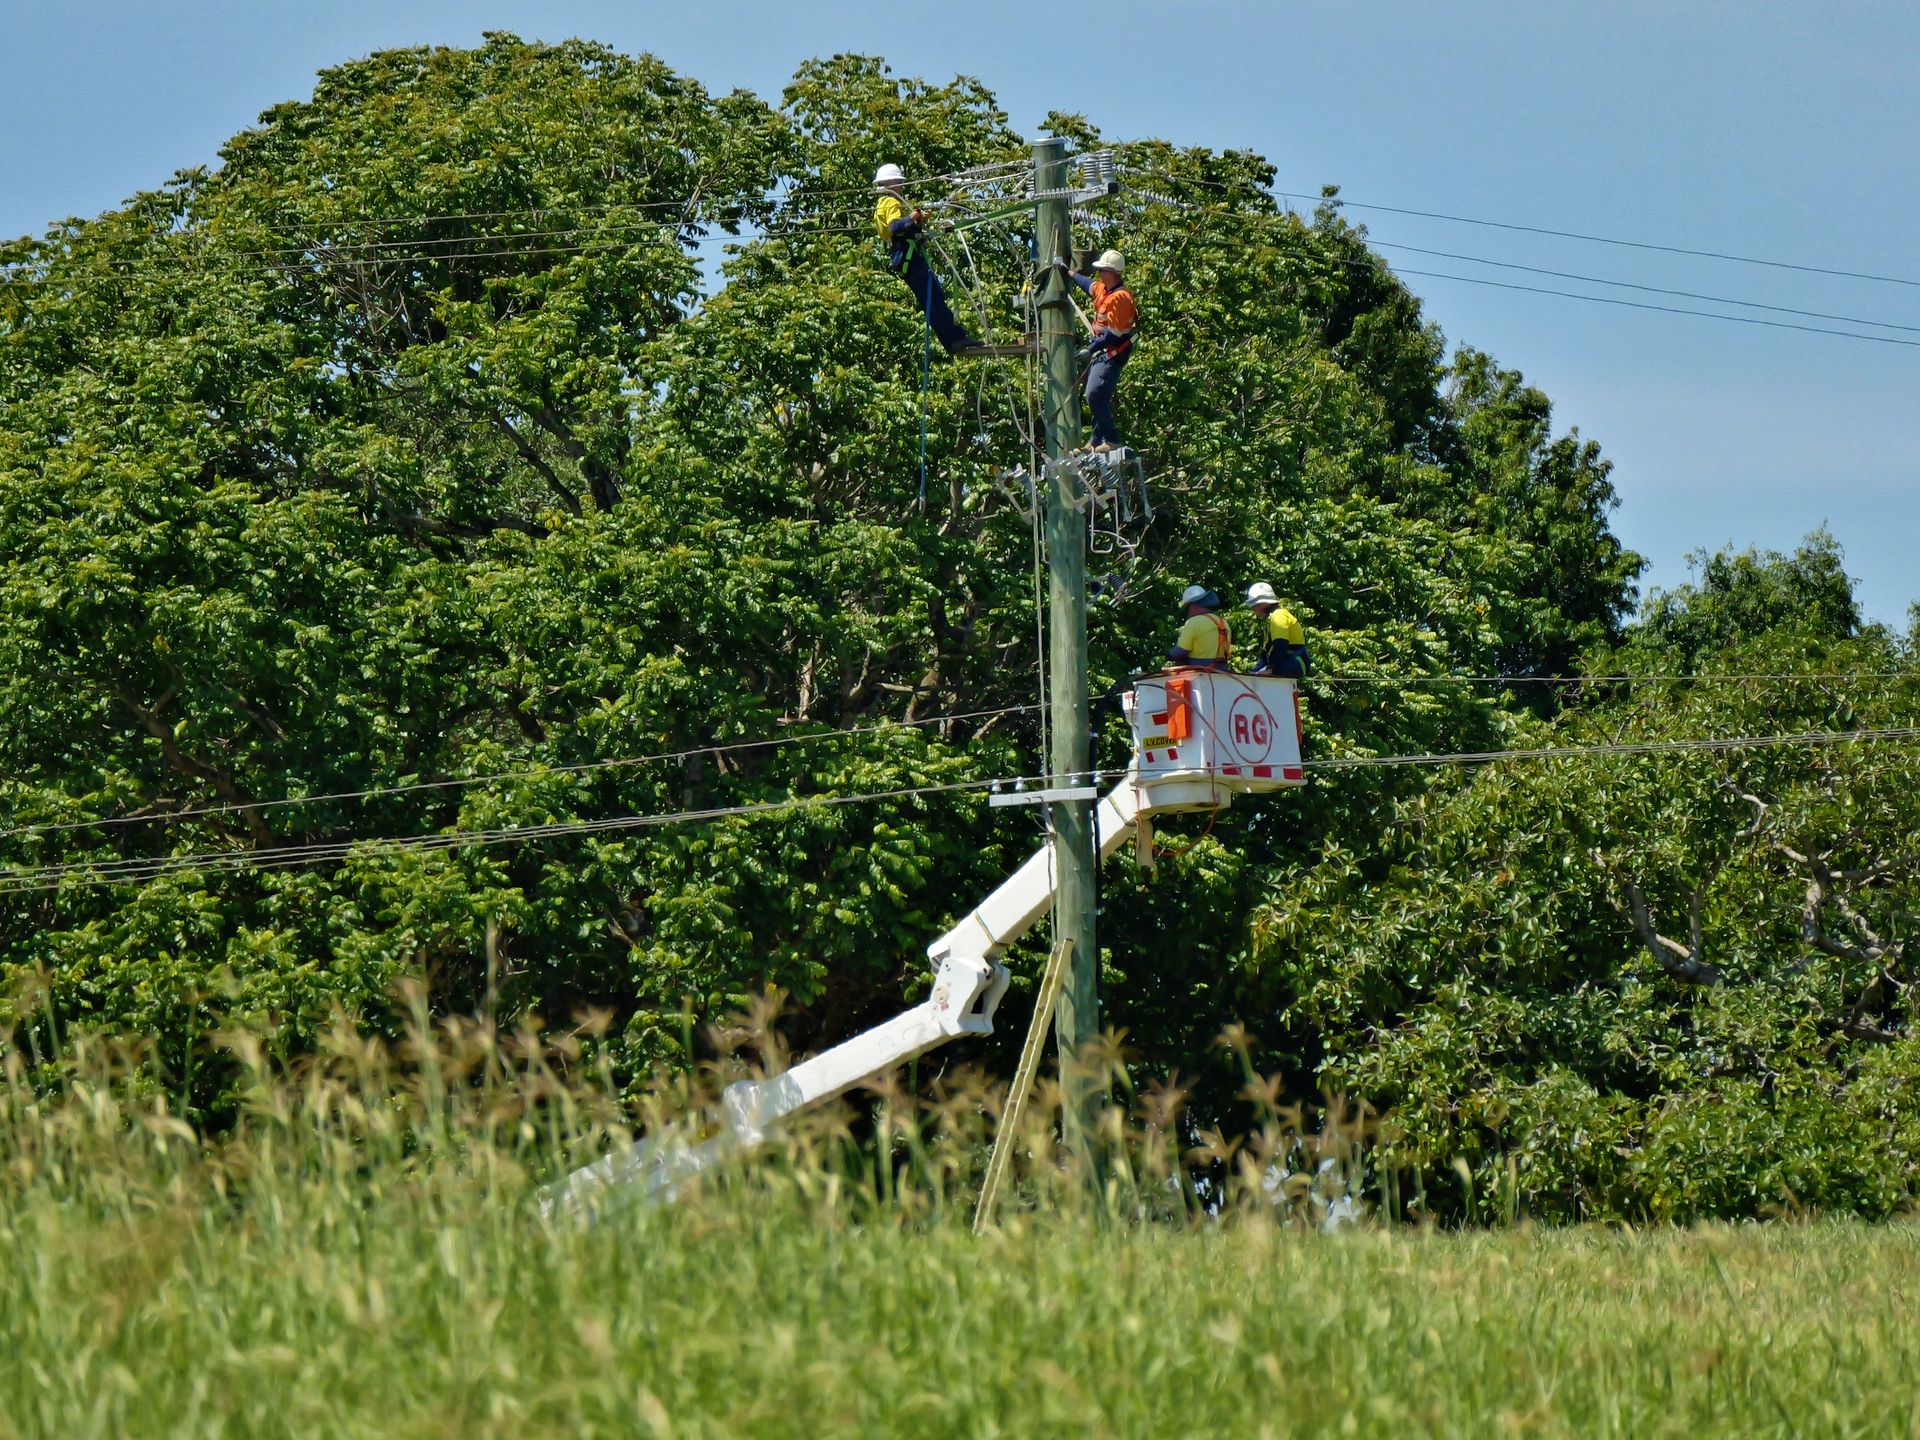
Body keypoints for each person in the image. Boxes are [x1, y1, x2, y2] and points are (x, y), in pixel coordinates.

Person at [872, 163, 980, 356]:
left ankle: (953, 341)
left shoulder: (882, 204)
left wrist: (919, 219)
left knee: (932, 299)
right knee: (935, 298)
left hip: (905, 257)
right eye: (898, 182)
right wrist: (913, 217)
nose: (900, 186)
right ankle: (957, 339)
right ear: (888, 183)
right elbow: (896, 227)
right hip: (909, 257)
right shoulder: (890, 202)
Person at [1069, 249, 1137, 451]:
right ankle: (1095, 441)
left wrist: (1090, 349)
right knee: (1099, 397)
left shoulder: (1120, 298)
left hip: (1113, 353)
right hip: (1102, 352)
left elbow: (1113, 336)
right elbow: (1087, 285)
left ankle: (1112, 439)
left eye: (1103, 270)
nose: (1099, 274)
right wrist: (1069, 273)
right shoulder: (1104, 290)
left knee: (1095, 394)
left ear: (1113, 272)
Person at [1244, 582, 1310, 678]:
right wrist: (1254, 671)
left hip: (1294, 663)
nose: (1253, 609)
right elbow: (1266, 652)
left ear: (1263, 603)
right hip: (1287, 662)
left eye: (1254, 605)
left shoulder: (1279, 615)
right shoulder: (1271, 619)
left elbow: (1280, 644)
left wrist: (1271, 669)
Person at [1166, 584, 1231, 670]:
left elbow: (1179, 652)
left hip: (1199, 673)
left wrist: (1168, 655)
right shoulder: (1223, 623)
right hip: (1222, 672)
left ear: (1192, 606)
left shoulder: (1194, 622)